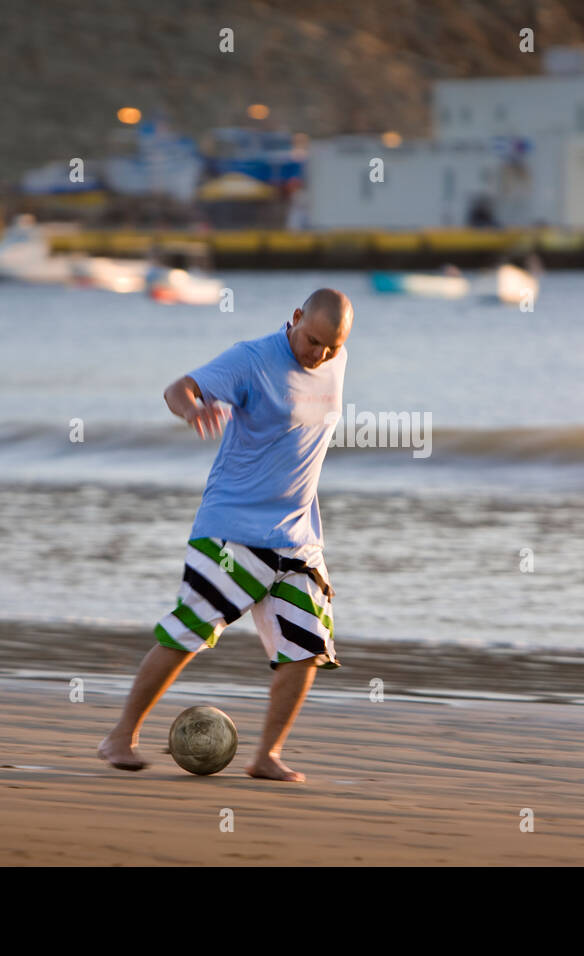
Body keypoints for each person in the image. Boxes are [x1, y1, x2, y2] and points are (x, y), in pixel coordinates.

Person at [98, 288, 353, 782]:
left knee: (306, 647)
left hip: (298, 538)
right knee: (190, 630)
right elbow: (179, 388)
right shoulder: (251, 358)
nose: (318, 354)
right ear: (295, 316)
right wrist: (192, 410)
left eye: (331, 347)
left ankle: (266, 756)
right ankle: (120, 737)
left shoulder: (334, 361)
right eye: (313, 340)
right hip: (233, 531)